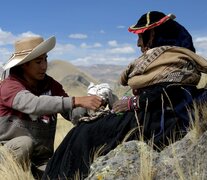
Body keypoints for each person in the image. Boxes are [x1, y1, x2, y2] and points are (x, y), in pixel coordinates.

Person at [42, 11, 207, 180]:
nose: (138, 43)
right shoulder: (172, 57)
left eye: (141, 36)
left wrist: (132, 103)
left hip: (159, 120)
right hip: (150, 114)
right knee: (81, 131)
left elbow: (170, 92)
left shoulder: (173, 59)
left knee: (85, 133)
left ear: (152, 35)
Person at [0, 36, 103, 179]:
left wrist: (93, 105)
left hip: (41, 159)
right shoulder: (9, 85)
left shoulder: (51, 85)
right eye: (38, 61)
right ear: (24, 65)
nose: (44, 66)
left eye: (45, 59)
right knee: (24, 143)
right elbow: (33, 104)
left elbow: (70, 112)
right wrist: (76, 100)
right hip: (11, 153)